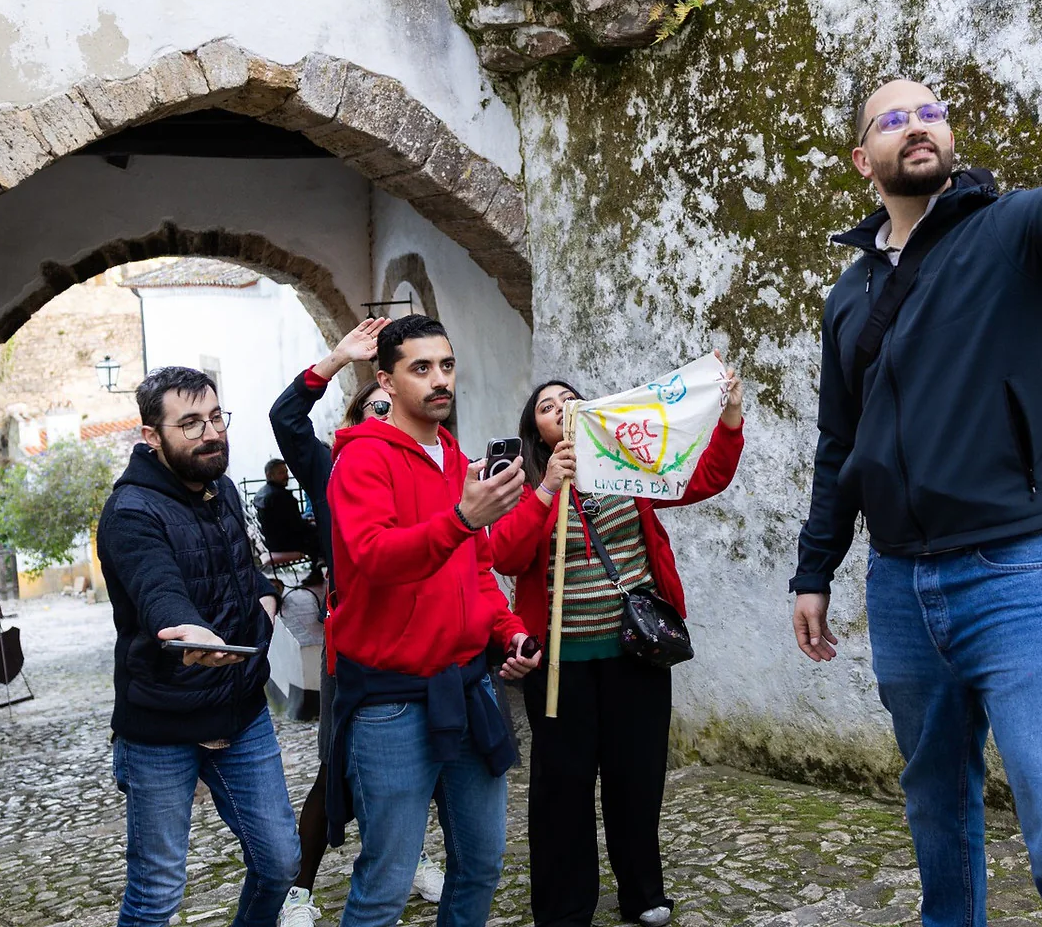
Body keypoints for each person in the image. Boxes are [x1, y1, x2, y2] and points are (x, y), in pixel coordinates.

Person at [791, 0, 1042, 927]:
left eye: (931, 112)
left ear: (947, 142)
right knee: (935, 813)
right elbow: (841, 444)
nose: (917, 123)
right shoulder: (850, 293)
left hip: (1021, 571)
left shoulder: (1018, 234)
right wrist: (816, 569)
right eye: (893, 117)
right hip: (905, 584)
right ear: (862, 157)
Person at [492, 371, 744, 927]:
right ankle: (564, 907)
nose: (559, 408)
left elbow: (705, 479)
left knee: (637, 777)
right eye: (545, 406)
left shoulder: (628, 464)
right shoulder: (523, 482)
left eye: (568, 400)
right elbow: (505, 556)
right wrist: (546, 489)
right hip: (561, 667)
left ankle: (643, 893)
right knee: (563, 788)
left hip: (637, 654)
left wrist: (729, 418)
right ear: (535, 429)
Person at [323, 314, 544, 927]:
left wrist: (509, 631)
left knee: (481, 864)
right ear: (385, 380)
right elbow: (374, 558)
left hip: (469, 687)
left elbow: (474, 571)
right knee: (386, 883)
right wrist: (462, 520)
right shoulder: (362, 460)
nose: (439, 380)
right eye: (421, 368)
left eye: (445, 365)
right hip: (390, 704)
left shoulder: (457, 458)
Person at [96, 366, 300, 927]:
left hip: (240, 713)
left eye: (215, 417)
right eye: (189, 424)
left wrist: (267, 599)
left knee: (282, 862)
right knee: (157, 890)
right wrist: (187, 629)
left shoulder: (226, 491)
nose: (210, 433)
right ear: (151, 437)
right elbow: (156, 589)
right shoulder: (130, 512)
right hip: (161, 723)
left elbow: (250, 569)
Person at [266, 319, 449, 927]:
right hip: (357, 644)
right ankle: (300, 887)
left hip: (427, 637)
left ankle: (412, 854)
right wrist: (335, 359)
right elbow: (287, 420)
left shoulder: (436, 459)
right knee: (337, 762)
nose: (382, 416)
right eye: (371, 407)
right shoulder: (333, 468)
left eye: (387, 409)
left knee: (426, 762)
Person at [254, 458, 320, 581]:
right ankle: (320, 569)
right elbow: (297, 526)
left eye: (286, 472)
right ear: (269, 475)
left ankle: (318, 569)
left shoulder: (262, 493)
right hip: (283, 543)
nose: (286, 476)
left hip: (272, 539)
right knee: (322, 534)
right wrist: (312, 524)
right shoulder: (280, 496)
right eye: (281, 473)